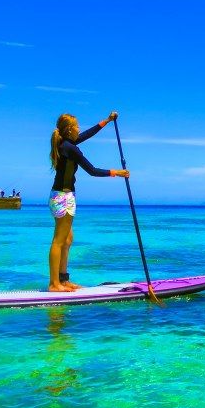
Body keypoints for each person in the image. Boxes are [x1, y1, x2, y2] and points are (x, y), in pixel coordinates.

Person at [48, 111, 129, 292]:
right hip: (62, 197)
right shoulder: (70, 148)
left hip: (63, 196)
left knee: (68, 239)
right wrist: (117, 172)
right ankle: (54, 284)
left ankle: (63, 279)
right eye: (76, 126)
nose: (79, 129)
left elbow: (87, 134)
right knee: (59, 241)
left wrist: (107, 121)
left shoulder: (66, 144)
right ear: (69, 130)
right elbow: (91, 170)